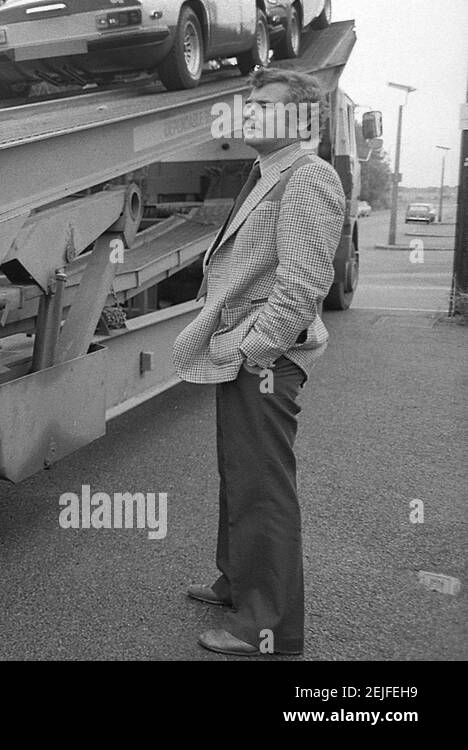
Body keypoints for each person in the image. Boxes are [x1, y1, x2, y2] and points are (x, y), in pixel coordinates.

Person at [172, 67, 346, 656]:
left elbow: (302, 287)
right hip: (245, 351)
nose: (247, 112)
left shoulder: (308, 176)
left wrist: (252, 350)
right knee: (237, 477)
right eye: (248, 102)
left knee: (263, 488)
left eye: (263, 105)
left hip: (266, 357)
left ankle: (267, 627)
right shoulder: (264, 171)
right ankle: (237, 583)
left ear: (299, 118)